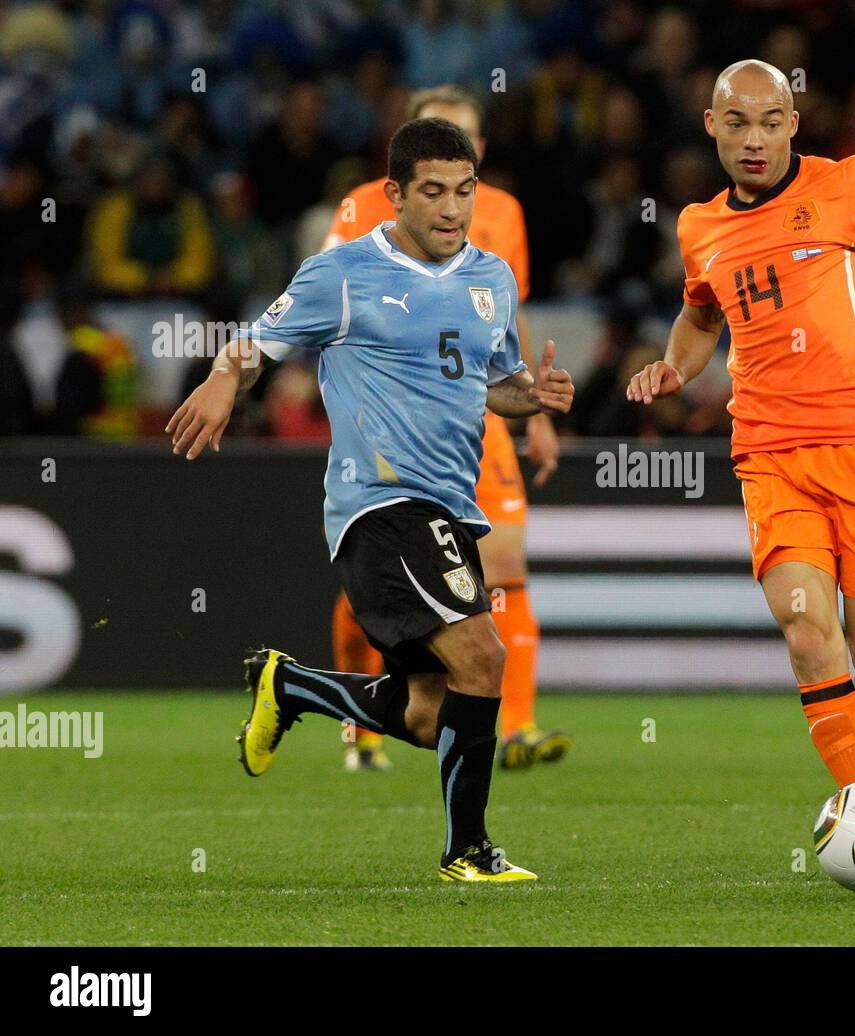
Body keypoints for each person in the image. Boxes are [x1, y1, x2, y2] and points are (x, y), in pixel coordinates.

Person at [627, 61, 855, 884]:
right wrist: (673, 369)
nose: (754, 139)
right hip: (768, 454)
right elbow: (700, 314)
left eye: (771, 122)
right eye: (738, 124)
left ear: (795, 124)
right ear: (711, 126)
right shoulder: (699, 225)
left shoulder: (853, 189)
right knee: (806, 630)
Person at [166, 117, 574, 882]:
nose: (453, 209)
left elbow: (497, 386)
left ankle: (288, 685)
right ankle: (468, 852)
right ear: (394, 195)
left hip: (449, 507)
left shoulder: (490, 279)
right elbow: (256, 342)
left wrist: (535, 395)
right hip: (380, 503)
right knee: (483, 656)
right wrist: (224, 380)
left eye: (464, 191)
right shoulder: (344, 274)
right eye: (433, 193)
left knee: (427, 713)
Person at [322, 85, 568, 772]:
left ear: (480, 149)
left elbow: (503, 316)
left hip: (480, 413)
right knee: (377, 591)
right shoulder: (366, 207)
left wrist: (535, 407)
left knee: (508, 564)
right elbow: (327, 299)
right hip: (394, 427)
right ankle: (360, 724)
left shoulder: (504, 214)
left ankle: (515, 721)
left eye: (459, 141)